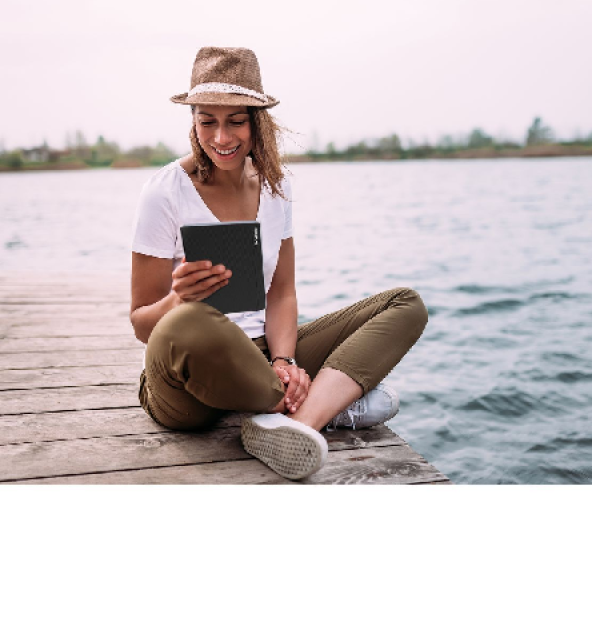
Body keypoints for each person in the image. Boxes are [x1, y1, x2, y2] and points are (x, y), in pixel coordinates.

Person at [130, 46, 428, 480]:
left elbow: (282, 292)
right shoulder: (164, 192)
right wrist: (179, 299)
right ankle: (318, 404)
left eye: (236, 121)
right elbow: (142, 325)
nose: (221, 138)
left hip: (261, 358)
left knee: (405, 304)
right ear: (193, 122)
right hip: (188, 378)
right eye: (207, 121)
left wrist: (285, 360)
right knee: (189, 319)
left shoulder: (275, 186)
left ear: (258, 121)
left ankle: (299, 423)